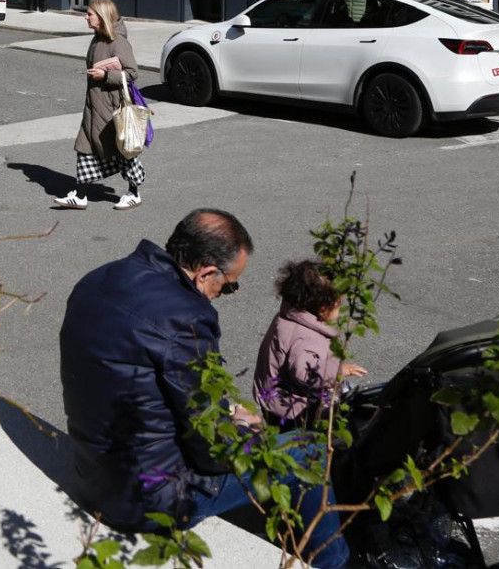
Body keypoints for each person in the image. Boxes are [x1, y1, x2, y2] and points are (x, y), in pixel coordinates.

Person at [59, 210, 350, 568]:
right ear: (207, 273)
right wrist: (244, 430)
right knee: (309, 451)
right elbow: (210, 450)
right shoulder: (186, 317)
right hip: (150, 496)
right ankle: (334, 562)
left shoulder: (99, 279)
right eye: (228, 286)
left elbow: (154, 383)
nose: (223, 294)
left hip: (94, 472)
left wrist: (225, 408)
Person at [254, 260, 367, 430]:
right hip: (292, 410)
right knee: (295, 440)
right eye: (338, 304)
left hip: (275, 398)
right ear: (323, 309)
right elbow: (306, 373)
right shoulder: (306, 339)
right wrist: (337, 370)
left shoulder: (289, 317)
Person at [55, 0, 144, 210]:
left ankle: (134, 192)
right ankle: (80, 194)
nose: (85, 17)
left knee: (123, 149)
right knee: (85, 146)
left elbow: (132, 73)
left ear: (102, 17)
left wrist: (105, 74)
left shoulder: (118, 42)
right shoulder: (97, 39)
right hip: (94, 103)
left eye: (89, 14)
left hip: (113, 107)